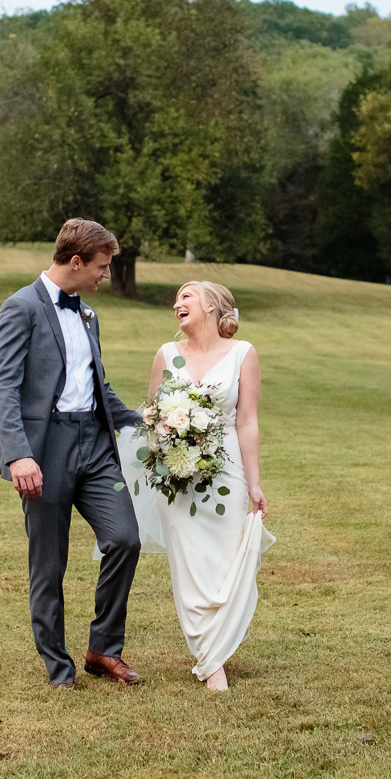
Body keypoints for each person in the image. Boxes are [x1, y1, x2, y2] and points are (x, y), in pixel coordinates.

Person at [0, 219, 145, 689]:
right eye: (102, 266)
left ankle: (102, 649)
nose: (106, 275)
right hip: (44, 449)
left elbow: (97, 386)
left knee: (125, 538)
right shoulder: (21, 308)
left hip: (94, 446)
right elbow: (2, 387)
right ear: (76, 262)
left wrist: (144, 420)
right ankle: (59, 669)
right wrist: (19, 455)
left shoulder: (89, 314)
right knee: (49, 564)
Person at [128, 280, 275, 692]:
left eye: (186, 296)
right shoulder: (166, 355)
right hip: (176, 478)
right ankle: (212, 664)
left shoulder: (243, 354)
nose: (177, 303)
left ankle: (221, 640)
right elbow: (152, 416)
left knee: (225, 562)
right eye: (177, 299)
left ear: (211, 306)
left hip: (226, 473)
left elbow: (246, 420)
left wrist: (255, 482)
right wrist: (169, 438)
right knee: (190, 563)